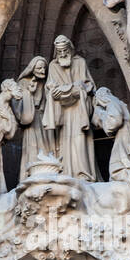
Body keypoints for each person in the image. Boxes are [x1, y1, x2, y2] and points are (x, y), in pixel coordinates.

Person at [42, 36, 97, 180]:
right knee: (64, 143)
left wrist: (77, 88)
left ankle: (83, 173)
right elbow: (49, 87)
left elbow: (89, 85)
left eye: (65, 50)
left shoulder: (80, 62)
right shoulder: (53, 66)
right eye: (59, 51)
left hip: (79, 109)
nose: (62, 54)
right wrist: (52, 89)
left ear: (70, 49)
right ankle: (66, 173)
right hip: (63, 111)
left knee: (80, 141)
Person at [14, 55, 54, 180]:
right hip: (31, 119)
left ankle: (49, 170)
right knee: (33, 147)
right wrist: (28, 93)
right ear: (32, 69)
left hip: (45, 118)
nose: (42, 71)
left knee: (48, 146)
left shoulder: (47, 82)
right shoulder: (24, 82)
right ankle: (31, 174)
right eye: (39, 68)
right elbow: (16, 104)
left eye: (44, 68)